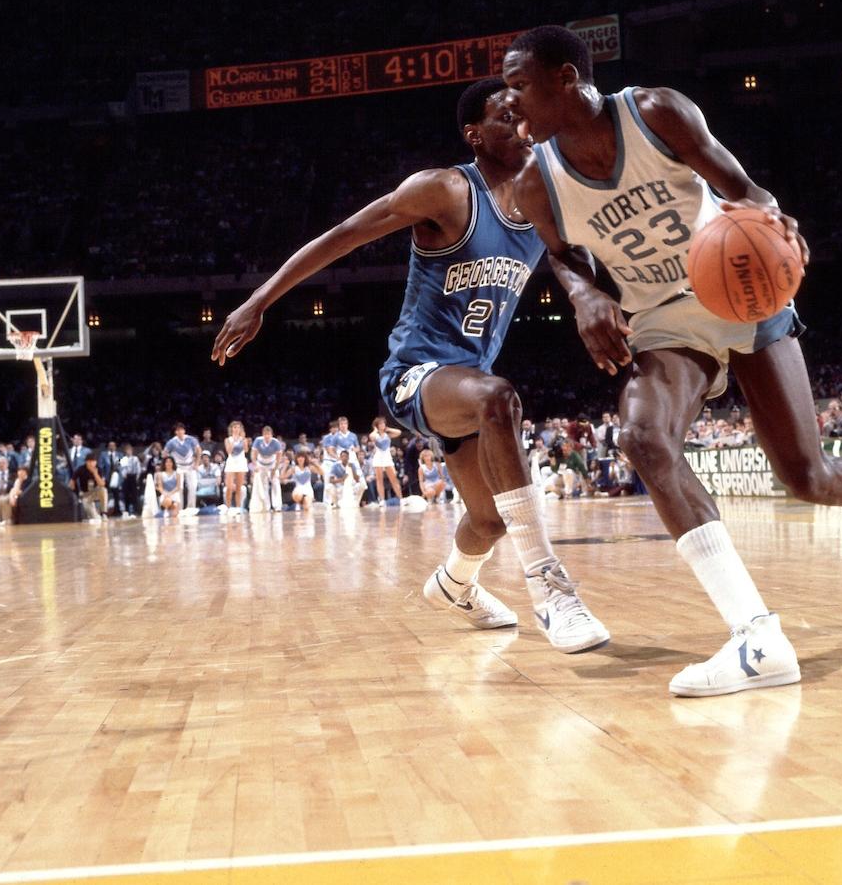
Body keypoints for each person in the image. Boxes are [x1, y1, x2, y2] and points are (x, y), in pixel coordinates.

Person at [506, 24, 842, 695]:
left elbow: (748, 192)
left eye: (518, 86)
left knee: (807, 476)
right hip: (661, 317)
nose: (509, 104)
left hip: (739, 290)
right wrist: (582, 296)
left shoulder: (656, 111)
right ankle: (757, 637)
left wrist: (777, 231)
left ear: (566, 78)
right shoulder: (537, 182)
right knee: (641, 438)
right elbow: (562, 257)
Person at [212, 76, 608, 653]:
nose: (522, 127)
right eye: (504, 118)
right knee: (499, 396)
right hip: (415, 377)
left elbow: (582, 257)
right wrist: (258, 302)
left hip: (468, 389)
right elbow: (344, 236)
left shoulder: (542, 199)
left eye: (525, 115)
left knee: (489, 523)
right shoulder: (444, 190)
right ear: (473, 134)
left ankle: (454, 585)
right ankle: (551, 590)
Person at [164, 422, 202, 514]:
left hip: (190, 465)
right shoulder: (171, 442)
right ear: (176, 432)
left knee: (192, 486)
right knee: (179, 488)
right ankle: (179, 509)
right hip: (178, 467)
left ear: (184, 430)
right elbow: (165, 453)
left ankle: (191, 508)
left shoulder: (191, 439)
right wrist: (170, 466)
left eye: (181, 430)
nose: (180, 432)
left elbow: (199, 450)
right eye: (178, 430)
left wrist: (197, 463)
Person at [368, 416, 404, 503]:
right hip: (378, 457)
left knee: (393, 479)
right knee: (379, 480)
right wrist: (375, 430)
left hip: (387, 457)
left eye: (383, 423)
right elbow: (371, 436)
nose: (382, 425)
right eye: (380, 423)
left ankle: (401, 498)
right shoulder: (375, 435)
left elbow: (399, 432)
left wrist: (388, 428)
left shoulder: (388, 434)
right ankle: (382, 500)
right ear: (377, 425)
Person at [222, 420, 249, 519]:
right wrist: (234, 441)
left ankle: (238, 508)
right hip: (231, 463)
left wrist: (243, 439)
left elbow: (246, 450)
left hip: (241, 462)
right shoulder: (228, 440)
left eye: (238, 427)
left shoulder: (244, 439)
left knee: (238, 488)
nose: (236, 429)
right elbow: (229, 451)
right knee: (229, 487)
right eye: (234, 427)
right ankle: (228, 508)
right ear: (231, 429)